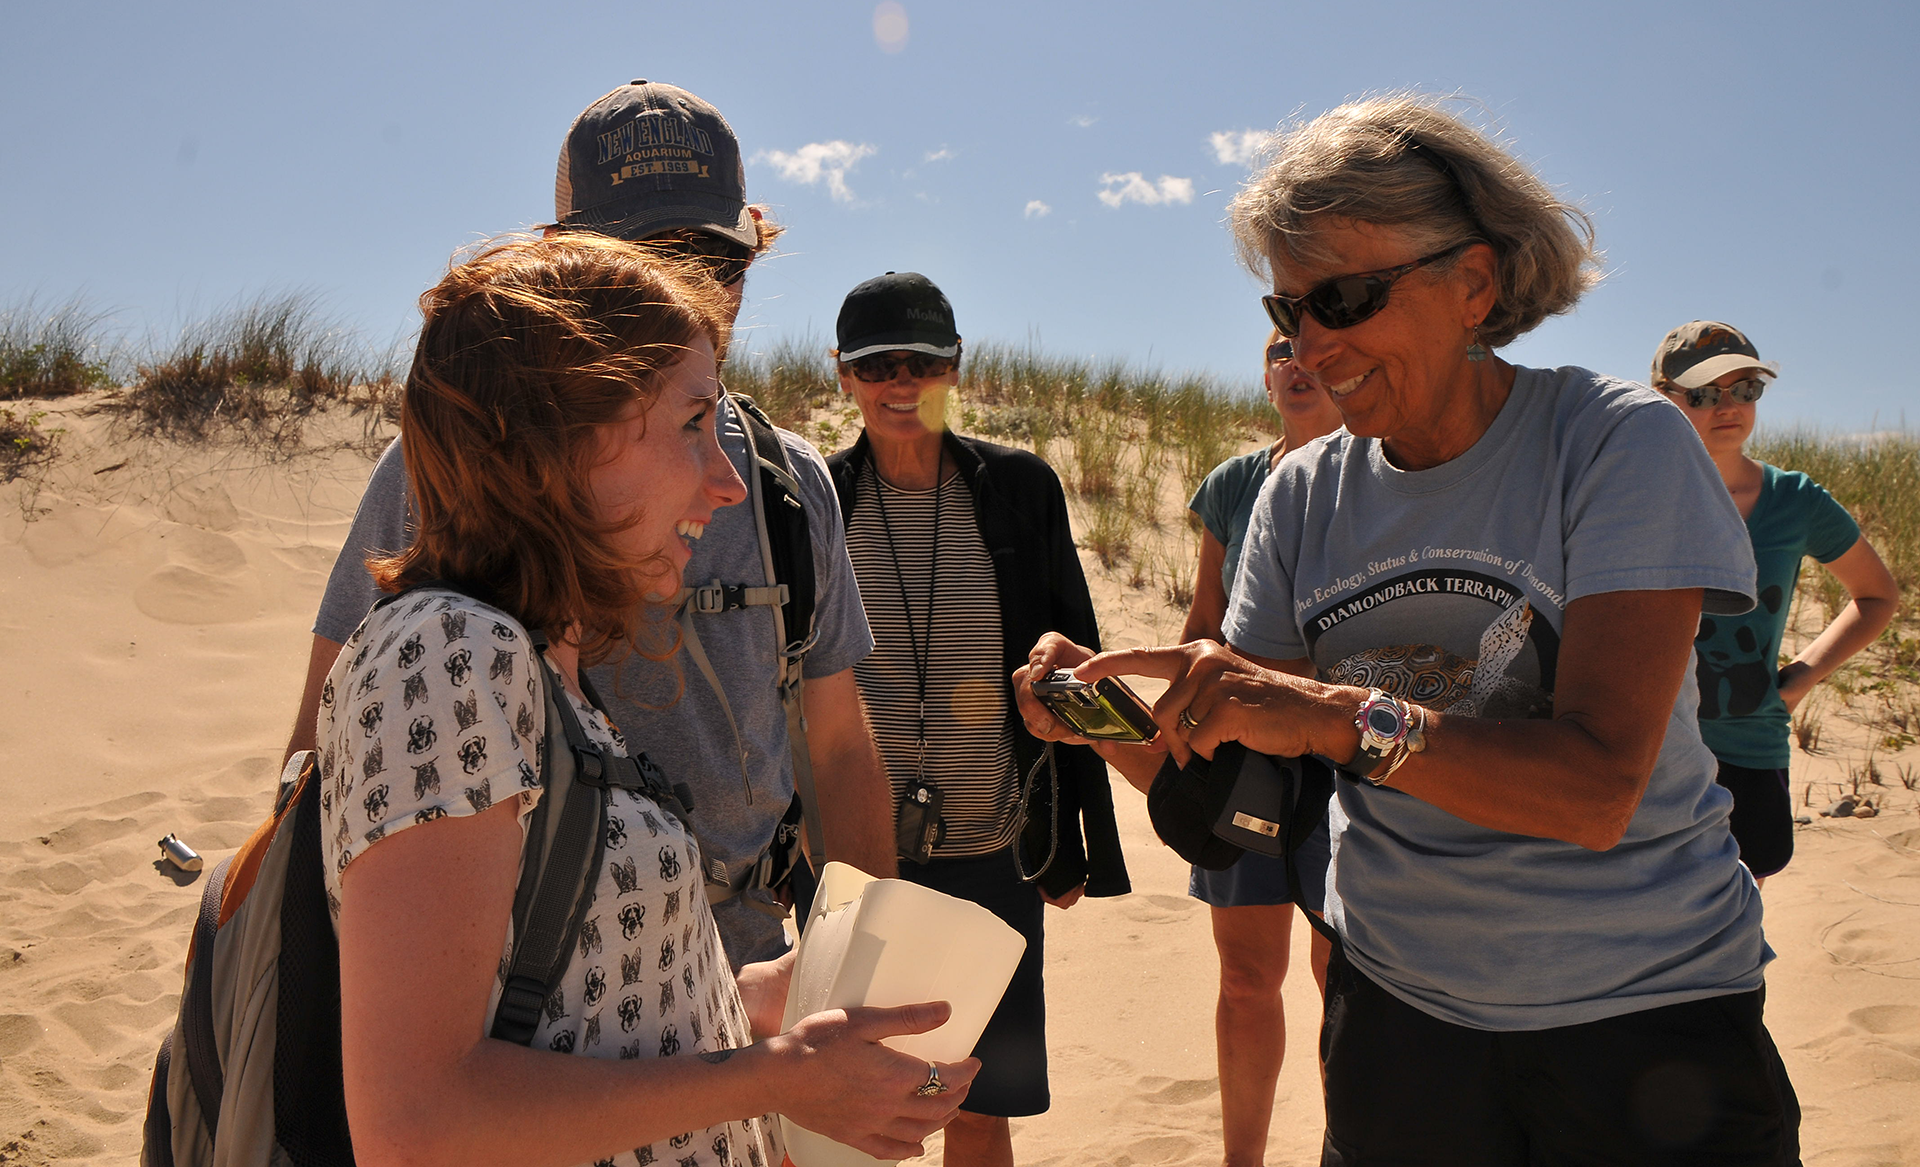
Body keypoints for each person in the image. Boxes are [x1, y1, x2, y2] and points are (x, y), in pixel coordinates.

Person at [1016, 96, 1803, 1165]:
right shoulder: (1298, 496)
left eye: (1342, 297)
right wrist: (1106, 721)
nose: (1310, 344)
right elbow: (1259, 802)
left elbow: (1596, 787)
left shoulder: (1619, 444)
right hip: (1402, 1028)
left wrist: (1332, 715)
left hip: (1647, 1024)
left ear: (1474, 283)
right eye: (1287, 309)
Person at [320, 234, 976, 1167]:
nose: (726, 479)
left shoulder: (548, 669)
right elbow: (418, 1123)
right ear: (557, 439)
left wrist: (742, 1003)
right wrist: (777, 1079)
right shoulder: (449, 651)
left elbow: (572, 1017)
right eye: (691, 423)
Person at [289, 80, 894, 968]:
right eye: (645, 264)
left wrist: (863, 983)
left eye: (711, 261)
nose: (685, 295)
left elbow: (838, 747)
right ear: (559, 269)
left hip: (749, 963)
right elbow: (322, 747)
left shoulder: (785, 483)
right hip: (520, 988)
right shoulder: (448, 469)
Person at [823, 272, 1131, 1167]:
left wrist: (1076, 845)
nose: (900, 380)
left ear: (956, 367)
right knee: (843, 1103)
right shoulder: (819, 500)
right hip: (854, 855)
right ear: (843, 374)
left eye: (923, 360)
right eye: (876, 362)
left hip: (993, 846)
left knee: (976, 1101)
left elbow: (1079, 657)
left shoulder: (1019, 488)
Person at [1653, 320, 1897, 882]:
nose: (1727, 406)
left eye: (1745, 389)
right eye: (1703, 394)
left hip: (1748, 741)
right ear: (1662, 399)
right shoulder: (1627, 493)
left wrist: (1802, 678)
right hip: (1649, 743)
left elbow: (1876, 595)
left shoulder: (1796, 501)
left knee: (1740, 908)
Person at [1180, 329, 1342, 1167]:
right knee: (1246, 981)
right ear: (1265, 369)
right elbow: (1202, 629)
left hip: (1347, 762)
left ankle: (1340, 1147)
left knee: (1340, 983)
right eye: (1281, 348)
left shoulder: (1380, 476)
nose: (1298, 363)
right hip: (1241, 760)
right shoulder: (1235, 483)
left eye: (1312, 348)